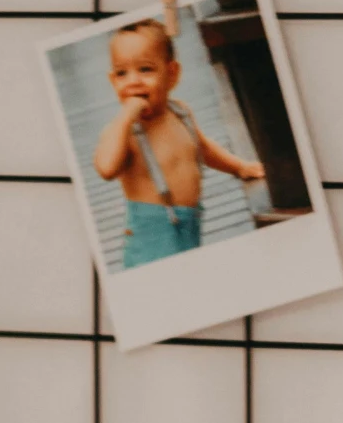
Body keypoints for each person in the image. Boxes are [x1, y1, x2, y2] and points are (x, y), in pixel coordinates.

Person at [92, 19, 265, 267]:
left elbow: (202, 148)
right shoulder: (122, 131)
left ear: (171, 74)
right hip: (151, 238)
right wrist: (125, 116)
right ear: (113, 81)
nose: (133, 81)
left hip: (189, 223)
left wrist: (239, 167)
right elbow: (106, 168)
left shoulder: (180, 112)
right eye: (122, 73)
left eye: (145, 69)